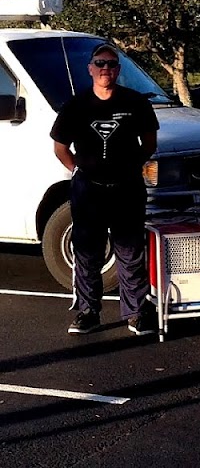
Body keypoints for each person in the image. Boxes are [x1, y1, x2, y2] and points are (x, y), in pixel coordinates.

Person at [52, 43, 160, 336]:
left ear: (118, 70)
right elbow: (60, 147)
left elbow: (149, 143)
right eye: (100, 63)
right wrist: (79, 169)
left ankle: (136, 314)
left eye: (111, 64)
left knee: (130, 251)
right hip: (89, 191)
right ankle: (88, 312)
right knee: (88, 252)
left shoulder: (136, 102)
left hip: (127, 189)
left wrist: (130, 166)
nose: (105, 69)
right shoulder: (76, 106)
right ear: (90, 69)